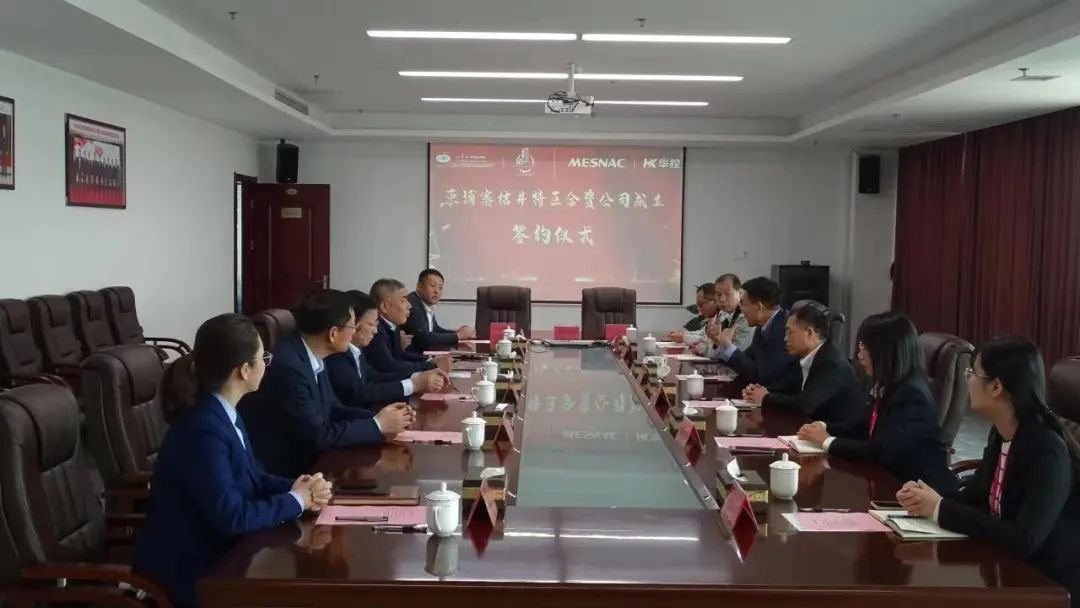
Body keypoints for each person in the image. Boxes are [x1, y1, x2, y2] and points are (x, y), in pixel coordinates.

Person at [133, 313, 334, 608]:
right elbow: (233, 518)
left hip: (226, 556)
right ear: (244, 370)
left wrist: (300, 486)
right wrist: (296, 501)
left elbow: (254, 477)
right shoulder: (202, 430)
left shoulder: (224, 412)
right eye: (263, 357)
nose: (267, 364)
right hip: (195, 574)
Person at [896, 336, 1080, 606]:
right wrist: (928, 498)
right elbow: (979, 494)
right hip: (1005, 566)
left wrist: (940, 509)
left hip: (1048, 584)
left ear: (996, 386)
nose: (968, 380)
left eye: (973, 373)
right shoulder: (1002, 431)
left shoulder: (1047, 450)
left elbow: (1025, 538)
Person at [240, 290, 414, 478]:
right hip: (288, 472)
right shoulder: (290, 367)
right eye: (352, 326)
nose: (354, 332)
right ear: (333, 333)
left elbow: (333, 408)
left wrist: (385, 418)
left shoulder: (311, 354)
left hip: (315, 462)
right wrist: (377, 425)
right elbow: (318, 437)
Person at [797, 312, 956, 493]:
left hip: (917, 492)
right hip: (889, 483)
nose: (859, 355)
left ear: (886, 351)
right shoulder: (891, 385)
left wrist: (828, 441)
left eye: (865, 347)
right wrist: (824, 427)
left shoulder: (912, 395)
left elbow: (881, 452)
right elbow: (864, 427)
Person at [742, 302, 867, 436]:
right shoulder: (802, 358)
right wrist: (757, 392)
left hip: (838, 436)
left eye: (789, 332)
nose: (785, 339)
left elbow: (805, 404)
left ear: (809, 333)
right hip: (809, 431)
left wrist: (766, 398)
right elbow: (786, 387)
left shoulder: (831, 363)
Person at [327, 290, 446, 410]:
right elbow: (359, 392)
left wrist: (417, 377)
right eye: (370, 324)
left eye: (376, 324)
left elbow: (373, 376)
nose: (375, 331)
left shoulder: (356, 348)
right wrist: (413, 384)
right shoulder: (336, 354)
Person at [704, 277, 799, 390]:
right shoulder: (762, 328)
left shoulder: (785, 328)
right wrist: (720, 342)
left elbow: (763, 376)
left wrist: (728, 346)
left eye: (743, 303)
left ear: (758, 307)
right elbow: (747, 363)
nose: (740, 308)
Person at [364, 278, 443, 375]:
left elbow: (400, 355)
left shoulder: (393, 326)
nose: (409, 306)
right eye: (403, 300)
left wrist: (429, 360)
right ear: (384, 306)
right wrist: (430, 365)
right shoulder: (375, 332)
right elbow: (390, 367)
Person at [402, 268, 475, 353]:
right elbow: (425, 338)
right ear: (419, 286)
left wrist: (457, 332)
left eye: (440, 288)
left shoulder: (424, 303)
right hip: (414, 356)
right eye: (433, 286)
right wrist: (457, 336)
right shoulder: (413, 305)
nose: (436, 291)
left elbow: (435, 329)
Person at [695, 273, 753, 353]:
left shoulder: (746, 316)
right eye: (718, 295)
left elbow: (733, 352)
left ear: (739, 293)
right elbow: (707, 341)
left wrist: (707, 347)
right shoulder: (723, 314)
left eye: (728, 294)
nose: (722, 299)